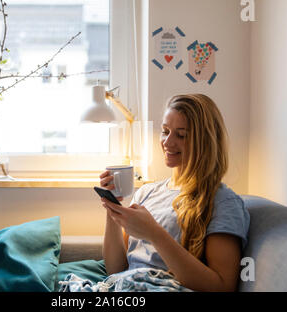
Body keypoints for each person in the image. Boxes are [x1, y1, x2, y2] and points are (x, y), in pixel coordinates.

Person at [99, 93, 250, 292]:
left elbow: (222, 287)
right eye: (165, 131)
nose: (167, 142)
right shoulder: (147, 192)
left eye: (181, 135)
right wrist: (113, 210)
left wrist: (154, 233)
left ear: (205, 141)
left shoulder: (222, 202)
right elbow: (116, 269)